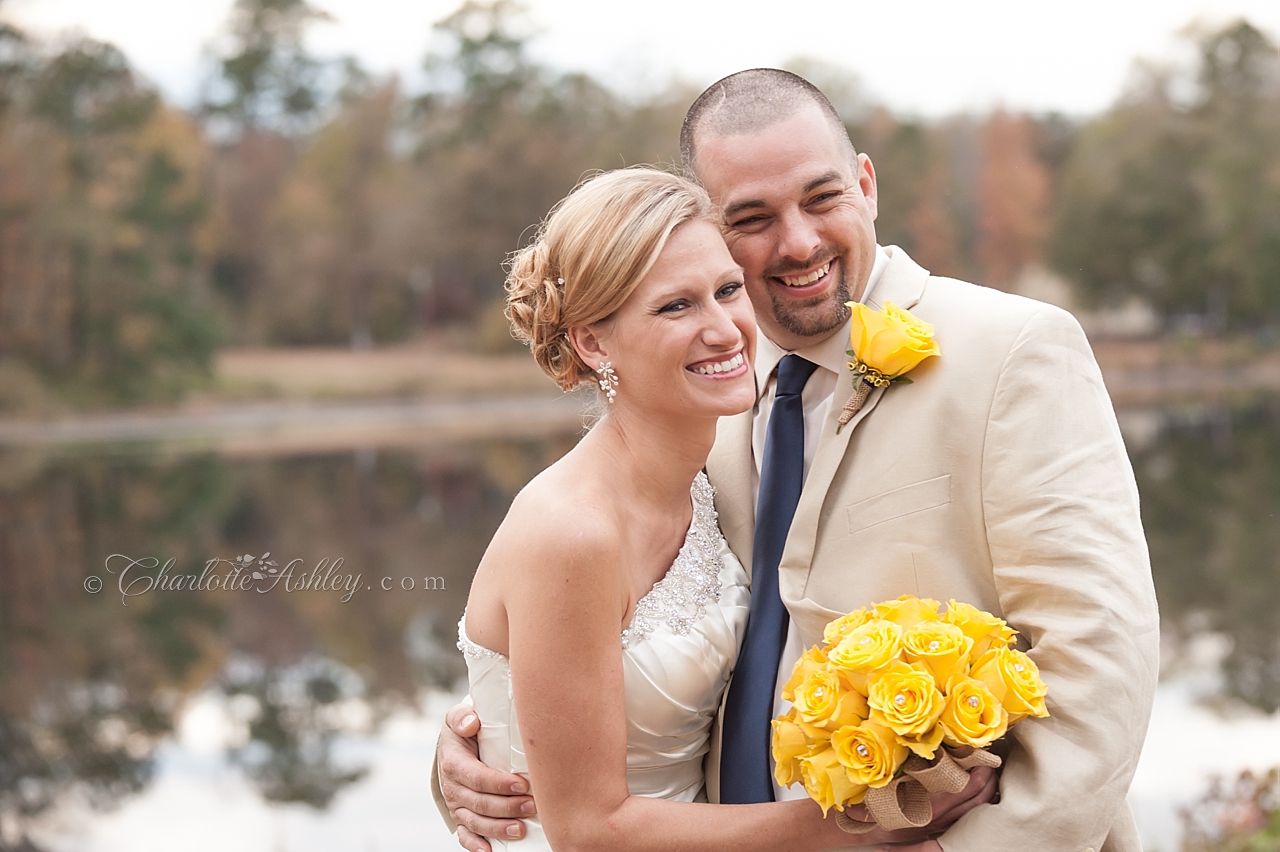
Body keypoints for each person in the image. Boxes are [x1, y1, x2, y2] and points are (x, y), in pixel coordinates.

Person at [439, 70, 1159, 852]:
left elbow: (1099, 666)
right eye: (752, 217)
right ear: (711, 227)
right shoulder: (699, 402)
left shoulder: (1014, 350)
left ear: (867, 183)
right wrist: (475, 764)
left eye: (822, 198)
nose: (800, 242)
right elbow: (589, 702)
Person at [450, 167, 993, 852]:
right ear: (592, 342)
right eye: (676, 307)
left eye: (727, 290)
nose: (726, 329)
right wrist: (856, 828)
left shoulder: (709, 475)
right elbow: (587, 828)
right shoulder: (573, 532)